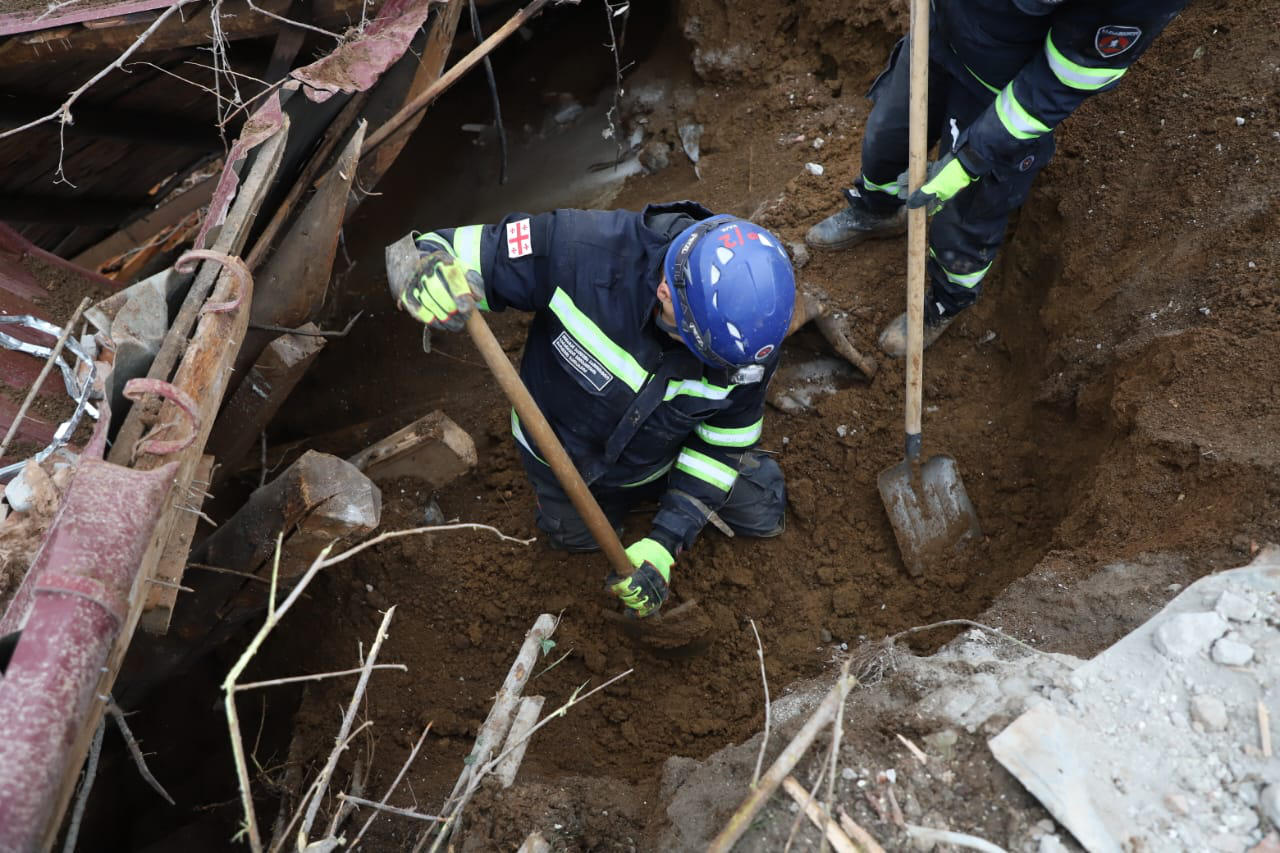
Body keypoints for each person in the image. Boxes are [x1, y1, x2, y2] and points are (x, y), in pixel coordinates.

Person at [385, 203, 796, 617]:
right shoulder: (579, 249)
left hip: (662, 458)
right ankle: (588, 511)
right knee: (575, 545)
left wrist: (665, 541)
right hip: (563, 461)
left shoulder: (746, 350)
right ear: (665, 290)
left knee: (762, 508)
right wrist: (425, 268)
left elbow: (722, 446)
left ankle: (656, 502)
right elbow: (434, 248)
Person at [805, 0, 1188, 357]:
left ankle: (944, 301)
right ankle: (879, 209)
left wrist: (972, 157)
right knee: (887, 138)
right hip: (937, 30)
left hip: (1002, 92)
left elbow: (1058, 83)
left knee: (967, 216)